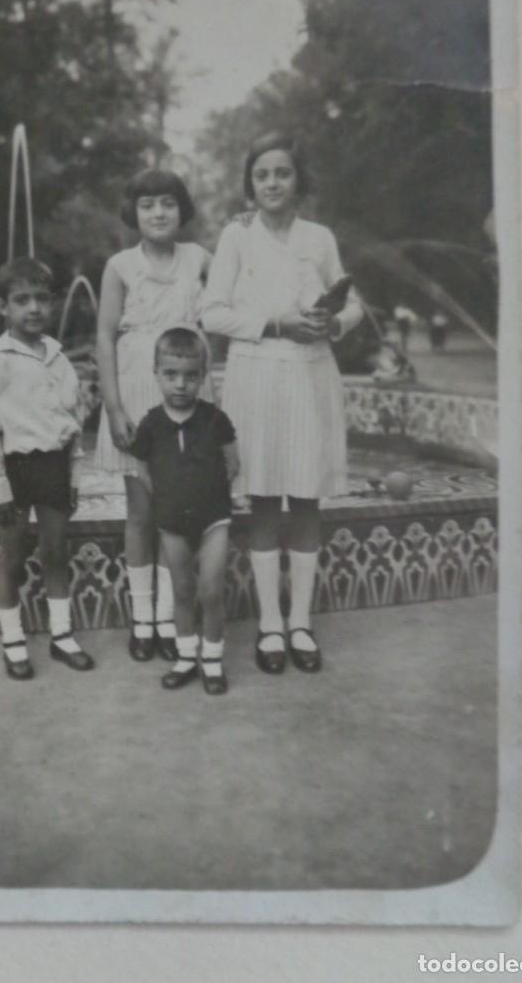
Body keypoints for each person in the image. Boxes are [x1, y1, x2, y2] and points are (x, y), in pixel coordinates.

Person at [202, 132, 363, 675]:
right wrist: (275, 322)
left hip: (311, 374)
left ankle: (301, 623)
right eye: (262, 174)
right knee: (266, 499)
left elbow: (353, 300)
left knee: (307, 499)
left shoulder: (319, 237)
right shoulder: (236, 236)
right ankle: (271, 625)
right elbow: (212, 313)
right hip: (256, 375)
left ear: (299, 181)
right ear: (250, 184)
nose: (272, 182)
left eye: (283, 173)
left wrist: (334, 320)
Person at [94, 168, 211, 664]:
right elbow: (103, 337)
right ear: (134, 213)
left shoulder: (200, 259)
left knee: (178, 511)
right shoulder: (120, 266)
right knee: (141, 511)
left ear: (182, 209)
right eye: (147, 205)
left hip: (183, 389)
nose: (158, 213)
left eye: (167, 203)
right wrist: (115, 407)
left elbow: (223, 315)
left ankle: (170, 616)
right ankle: (142, 618)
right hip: (138, 390)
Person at [0, 257, 94, 680]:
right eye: (21, 300)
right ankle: (13, 641)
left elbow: (73, 428)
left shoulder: (60, 359)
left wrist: (74, 478)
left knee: (56, 552)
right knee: (11, 557)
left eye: (42, 299)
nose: (33, 308)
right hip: (15, 468)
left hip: (54, 466)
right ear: (2, 307)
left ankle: (61, 636)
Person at [129, 328, 239, 695]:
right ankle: (186, 656)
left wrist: (210, 492)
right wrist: (166, 497)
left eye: (191, 376)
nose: (181, 385)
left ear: (203, 377)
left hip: (213, 521)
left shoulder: (214, 419)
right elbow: (142, 468)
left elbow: (232, 462)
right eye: (171, 375)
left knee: (210, 590)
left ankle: (212, 660)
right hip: (172, 523)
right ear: (156, 374)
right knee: (181, 589)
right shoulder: (150, 424)